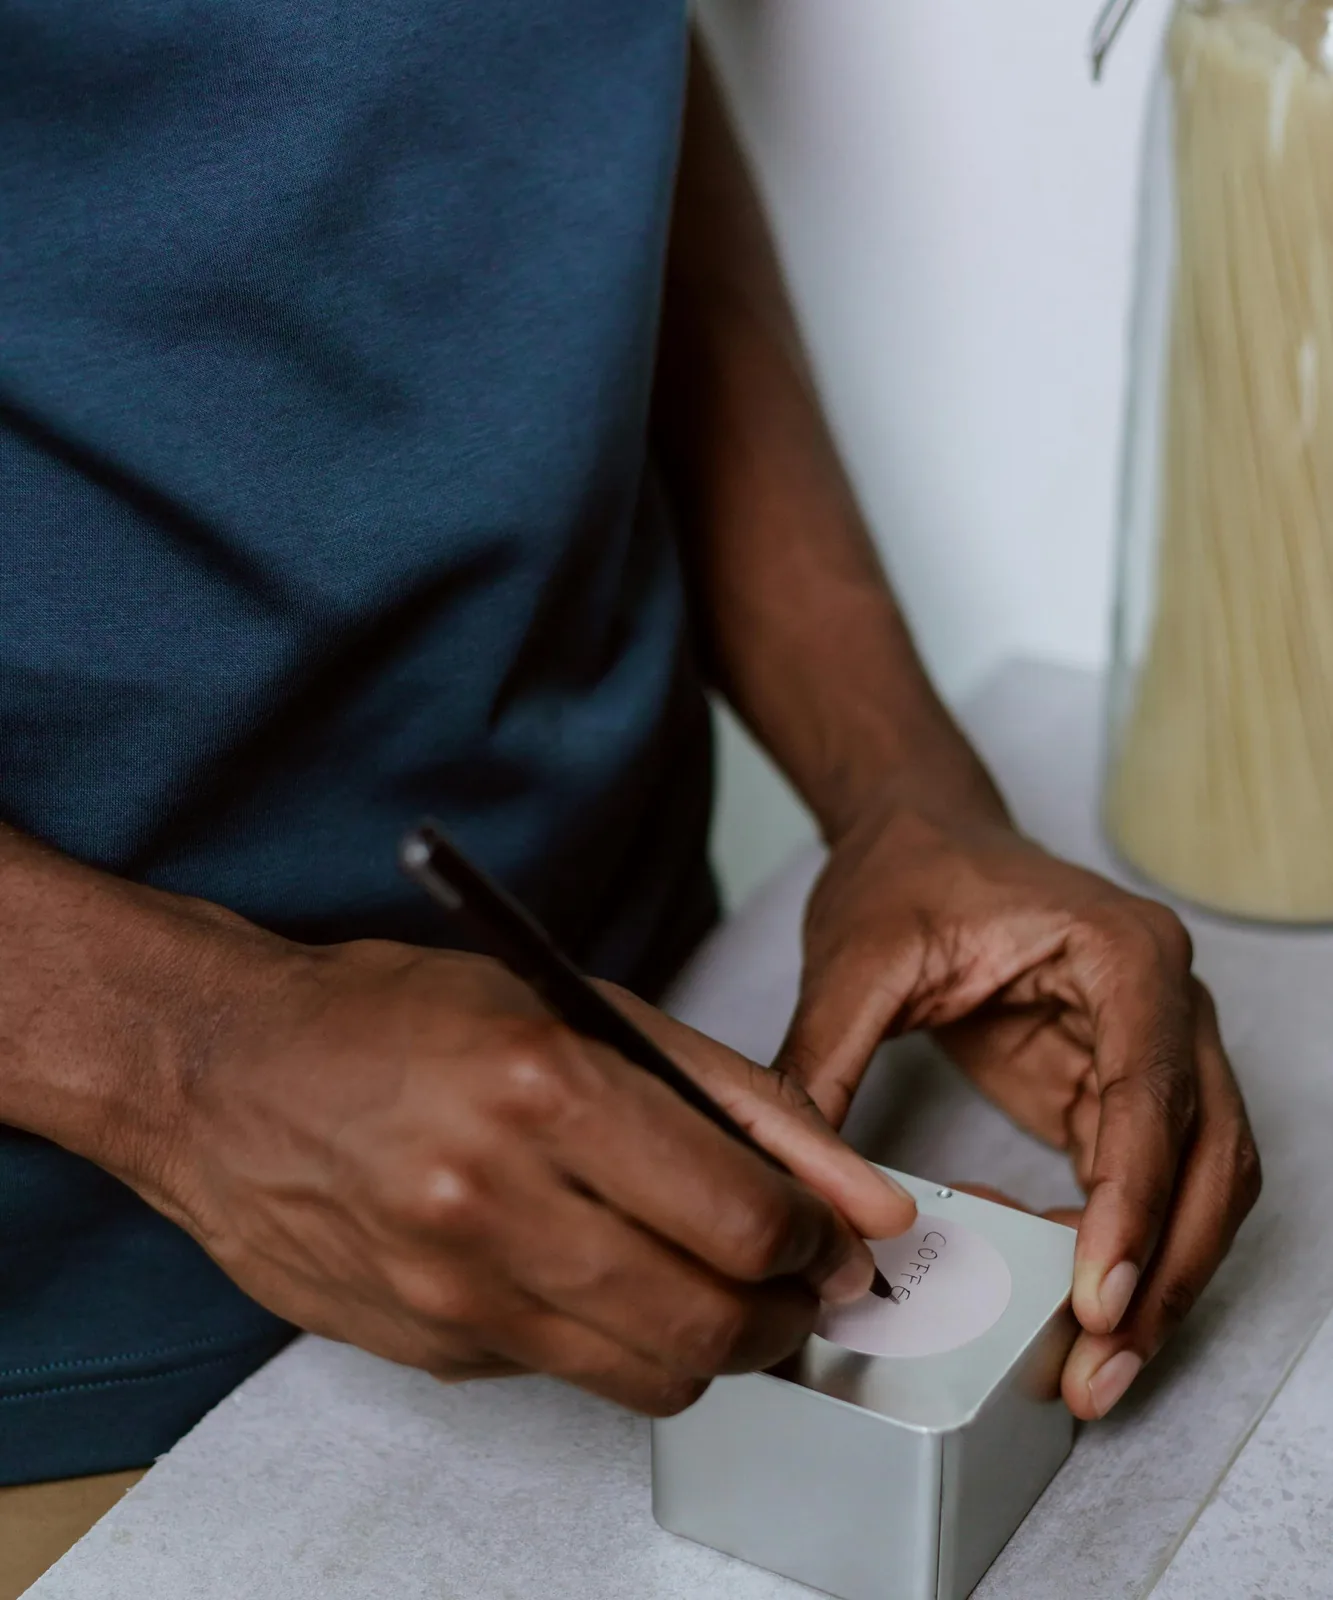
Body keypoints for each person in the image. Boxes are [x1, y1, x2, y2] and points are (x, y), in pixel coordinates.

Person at [0, 0, 1260, 1586]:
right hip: (63, 1356)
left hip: (666, 1049)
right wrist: (176, 1057)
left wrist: (901, 785)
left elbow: (565, 114)